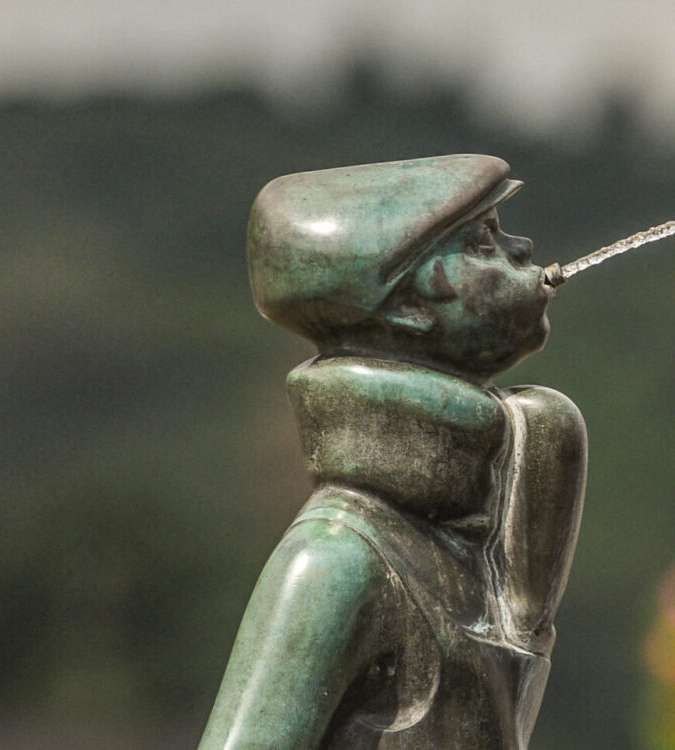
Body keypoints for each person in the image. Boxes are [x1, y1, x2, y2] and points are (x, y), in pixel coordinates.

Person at [198, 154, 587, 749]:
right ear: (406, 307)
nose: (523, 247)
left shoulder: (461, 544)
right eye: (483, 241)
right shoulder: (334, 560)